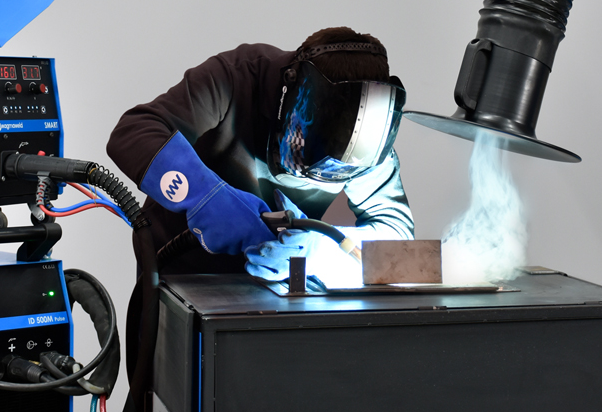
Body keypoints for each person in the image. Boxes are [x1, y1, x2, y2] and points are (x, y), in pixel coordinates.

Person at [106, 27, 414, 287]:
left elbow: (402, 248)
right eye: (305, 153)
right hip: (180, 269)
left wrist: (322, 253)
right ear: (291, 92)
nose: (308, 177)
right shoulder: (235, 77)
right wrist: (205, 197)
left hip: (275, 285)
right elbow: (134, 131)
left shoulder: (367, 141)